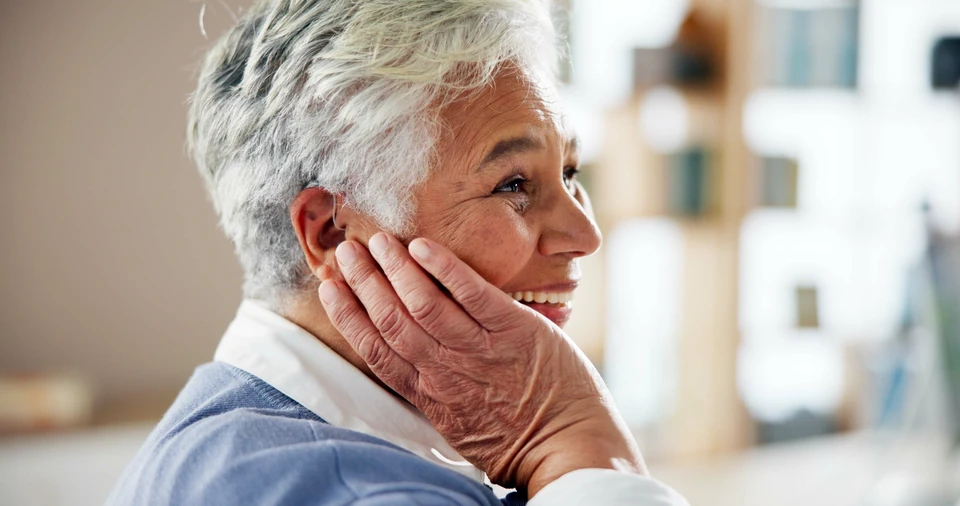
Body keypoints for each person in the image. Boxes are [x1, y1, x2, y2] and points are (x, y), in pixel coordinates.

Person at [108, 1, 689, 504]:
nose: (585, 234)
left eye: (569, 171)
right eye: (514, 184)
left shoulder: (260, 436)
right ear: (333, 234)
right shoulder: (348, 488)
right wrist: (576, 441)